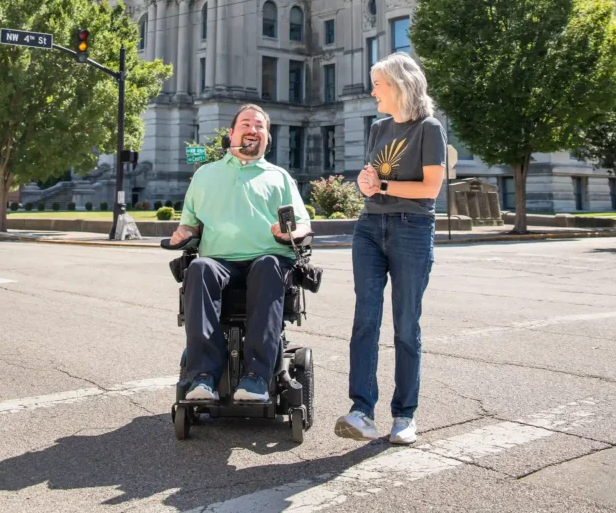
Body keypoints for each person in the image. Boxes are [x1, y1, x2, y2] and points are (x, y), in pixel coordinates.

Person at [335, 52, 445, 445]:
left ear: (399, 86)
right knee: (365, 319)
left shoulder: (429, 129)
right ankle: (362, 411)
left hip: (411, 228)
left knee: (405, 324)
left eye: (378, 84)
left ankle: (404, 416)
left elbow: (430, 189)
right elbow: (373, 176)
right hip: (369, 226)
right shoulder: (378, 128)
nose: (372, 90)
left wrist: (381, 186)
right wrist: (368, 185)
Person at [170, 104, 310, 403]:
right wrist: (183, 235)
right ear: (231, 133)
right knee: (200, 268)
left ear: (267, 138)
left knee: (269, 265)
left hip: (267, 260)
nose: (253, 130)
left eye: (260, 126)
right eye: (246, 123)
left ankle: (257, 377)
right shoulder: (205, 175)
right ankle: (203, 377)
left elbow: (302, 225)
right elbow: (190, 226)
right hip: (219, 262)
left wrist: (293, 233)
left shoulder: (280, 177)